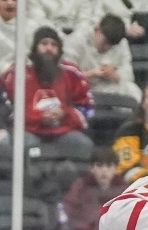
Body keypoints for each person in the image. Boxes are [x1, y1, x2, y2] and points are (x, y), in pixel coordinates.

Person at [10, 28, 94, 161]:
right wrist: (38, 117)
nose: (49, 48)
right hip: (29, 132)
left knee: (83, 145)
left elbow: (88, 109)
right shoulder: (18, 73)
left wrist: (64, 113)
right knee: (22, 146)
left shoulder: (72, 73)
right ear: (35, 48)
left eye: (54, 45)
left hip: (63, 131)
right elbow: (7, 108)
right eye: (44, 43)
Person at [52, 144, 124, 230]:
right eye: (99, 166)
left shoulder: (124, 189)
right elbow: (68, 211)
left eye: (109, 166)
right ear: (91, 168)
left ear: (116, 168)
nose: (104, 171)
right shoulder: (81, 186)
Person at [64, 15, 140, 105]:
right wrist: (92, 74)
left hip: (105, 86)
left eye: (111, 46)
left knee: (133, 90)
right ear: (97, 30)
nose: (107, 48)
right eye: (105, 42)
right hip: (79, 87)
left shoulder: (122, 43)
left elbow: (129, 74)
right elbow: (66, 77)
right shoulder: (76, 40)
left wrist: (115, 74)